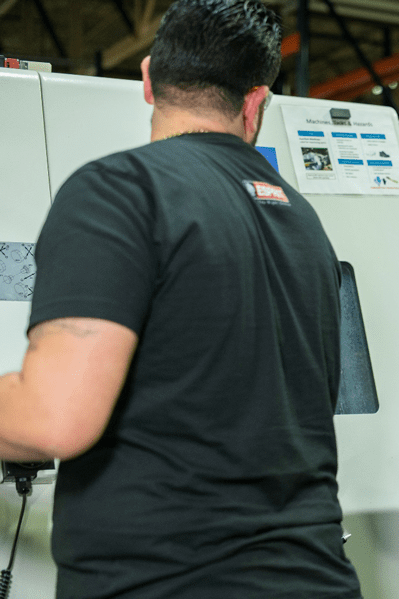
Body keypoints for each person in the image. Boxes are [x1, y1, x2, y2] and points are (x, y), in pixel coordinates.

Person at [0, 1, 362, 598]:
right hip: (314, 576)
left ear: (147, 79)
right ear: (257, 102)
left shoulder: (117, 190)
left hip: (164, 581)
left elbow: (54, 417)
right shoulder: (303, 222)